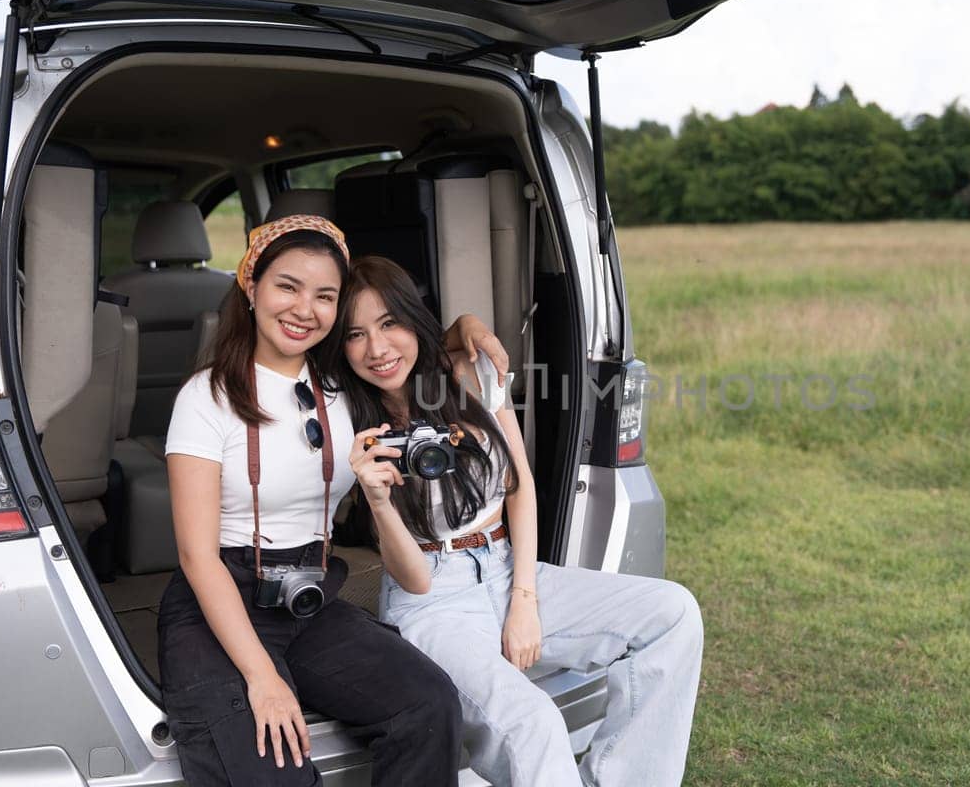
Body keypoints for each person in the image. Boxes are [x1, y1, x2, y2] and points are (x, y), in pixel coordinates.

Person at [156, 214, 504, 786]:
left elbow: (399, 350)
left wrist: (464, 326)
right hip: (218, 600)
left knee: (428, 704)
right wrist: (261, 675)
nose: (304, 309)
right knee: (274, 771)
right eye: (287, 287)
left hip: (309, 594)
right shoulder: (206, 397)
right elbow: (198, 557)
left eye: (324, 296)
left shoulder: (343, 386)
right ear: (251, 285)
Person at [337, 256, 705, 787]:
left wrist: (524, 600)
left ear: (412, 319)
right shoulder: (352, 420)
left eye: (389, 323)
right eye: (356, 334)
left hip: (509, 565)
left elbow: (519, 485)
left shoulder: (467, 372)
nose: (377, 348)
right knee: (534, 723)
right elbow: (413, 579)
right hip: (433, 600)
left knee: (672, 613)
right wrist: (376, 501)